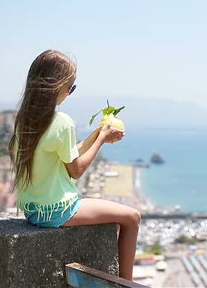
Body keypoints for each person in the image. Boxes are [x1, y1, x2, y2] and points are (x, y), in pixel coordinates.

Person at [8, 49, 140, 280]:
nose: (70, 93)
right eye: (70, 86)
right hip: (57, 211)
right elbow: (76, 170)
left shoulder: (25, 119)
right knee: (132, 217)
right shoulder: (62, 121)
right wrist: (100, 140)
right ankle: (125, 284)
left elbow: (66, 154)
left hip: (33, 211)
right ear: (56, 85)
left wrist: (98, 135)